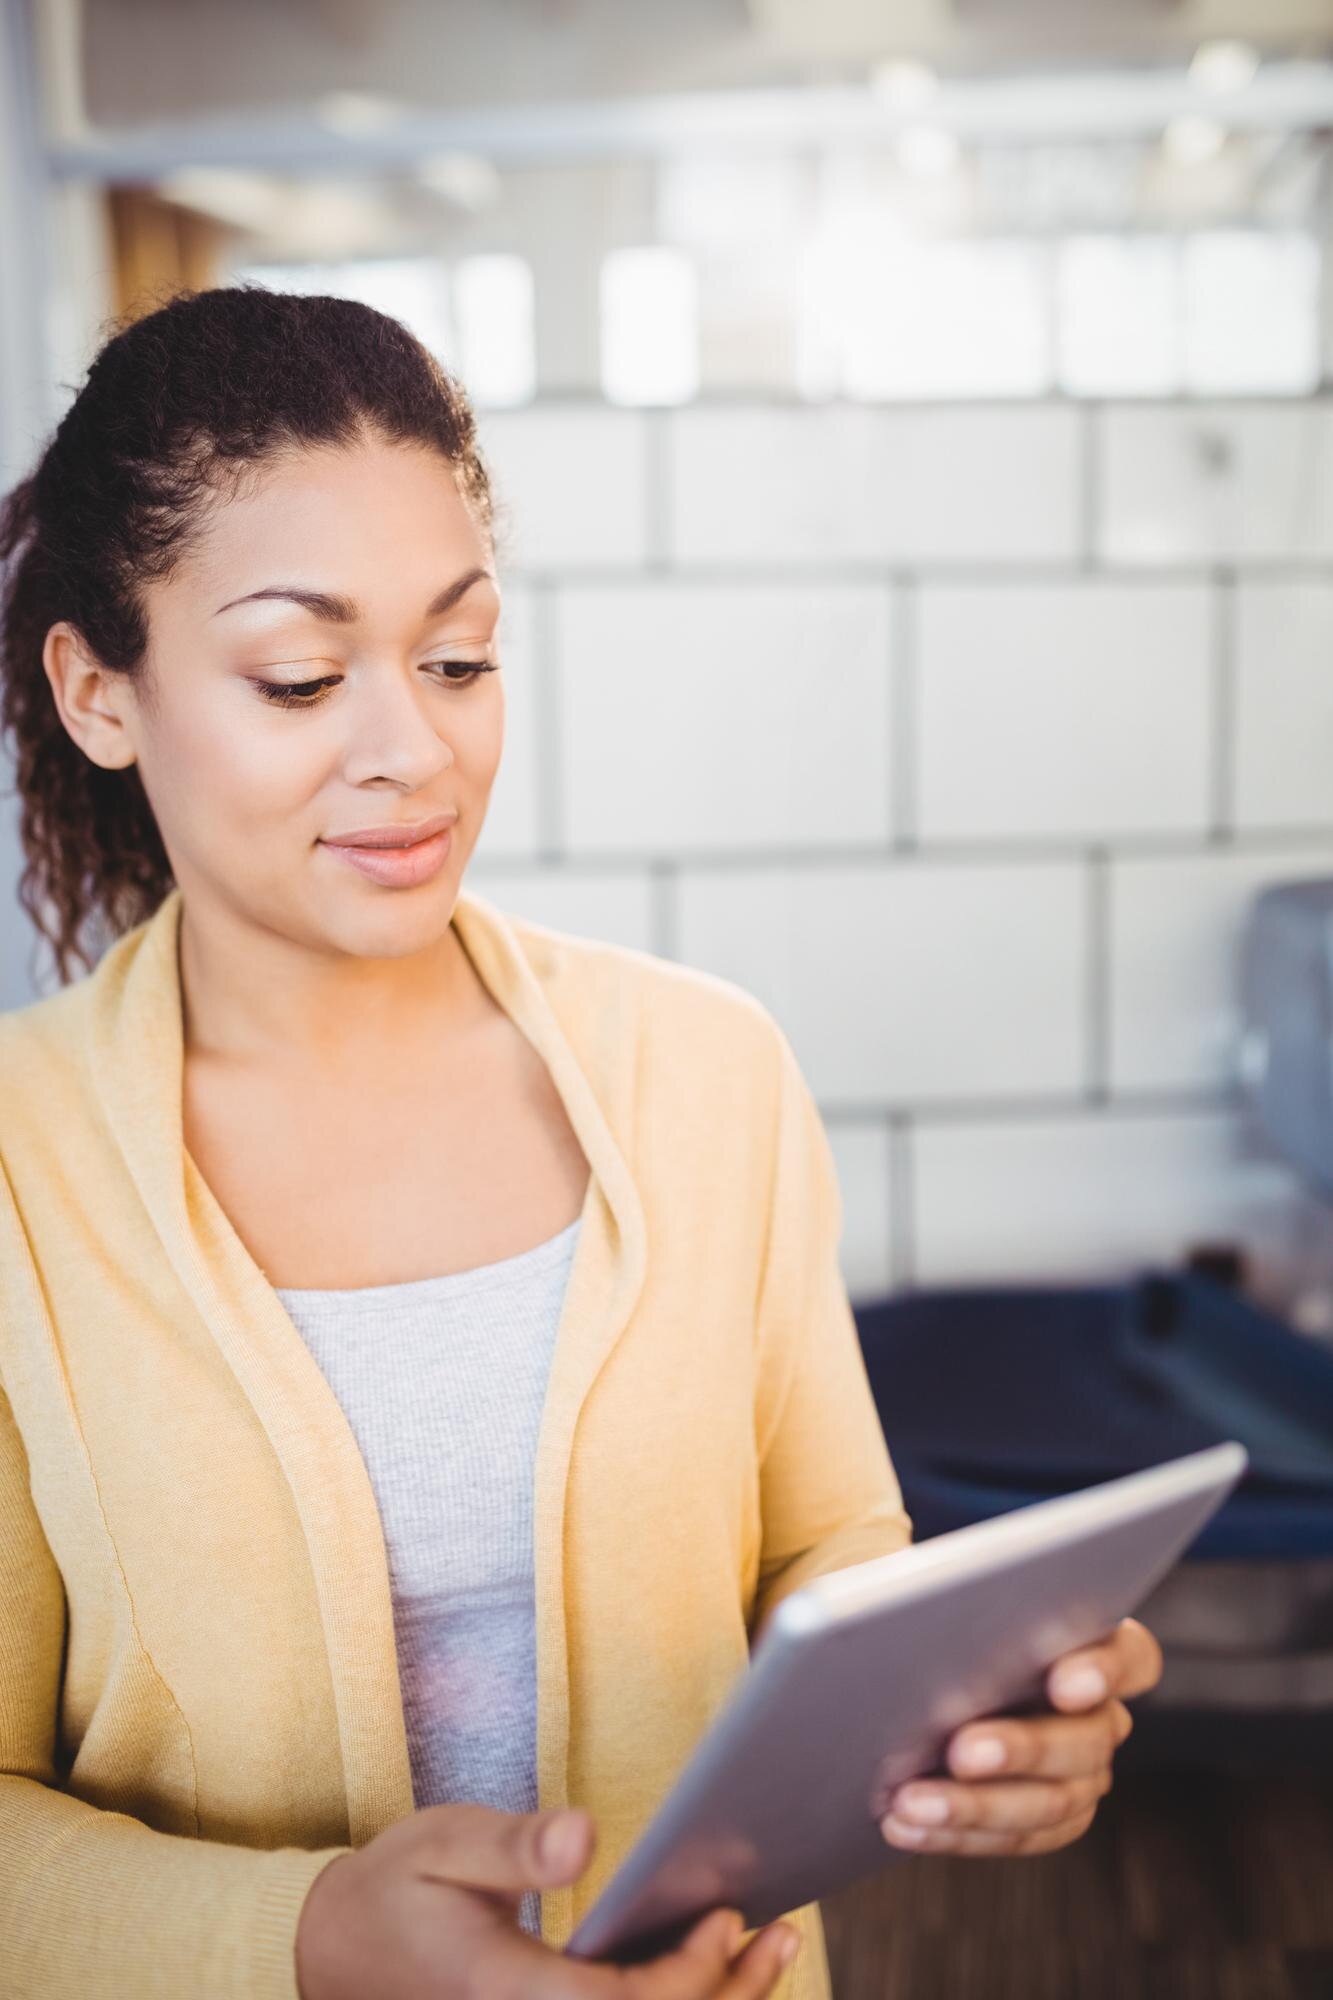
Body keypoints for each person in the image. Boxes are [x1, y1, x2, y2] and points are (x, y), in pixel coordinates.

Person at [0, 287, 1163, 2000]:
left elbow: (826, 1549)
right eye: (301, 677)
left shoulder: (704, 1070)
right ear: (101, 695)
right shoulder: (21, 1171)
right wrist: (310, 1937)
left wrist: (973, 1716)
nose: (414, 749)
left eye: (459, 658)